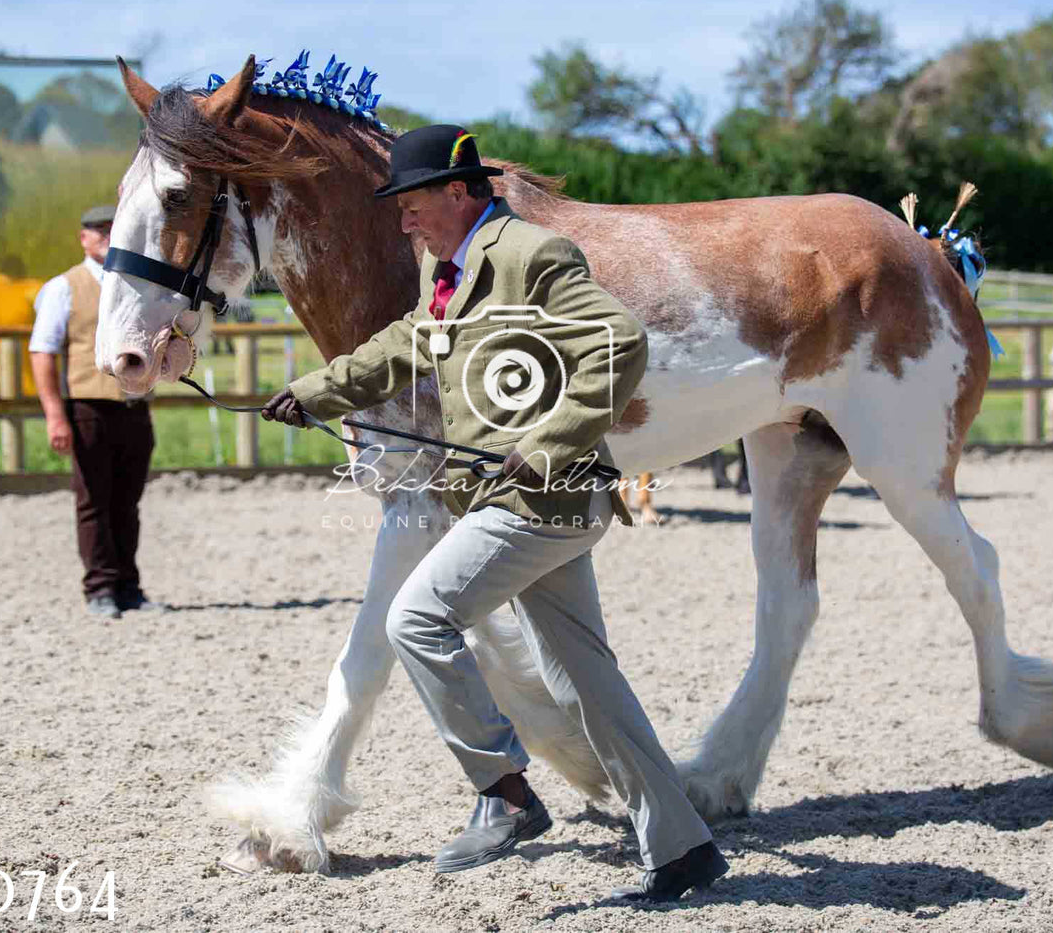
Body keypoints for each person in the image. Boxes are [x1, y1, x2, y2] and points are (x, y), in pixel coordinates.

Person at [261, 125, 727, 902]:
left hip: (542, 495)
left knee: (414, 617)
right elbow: (413, 340)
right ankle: (680, 847)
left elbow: (617, 342)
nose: (403, 221)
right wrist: (317, 391)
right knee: (585, 681)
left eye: (411, 205)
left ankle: (504, 794)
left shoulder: (530, 254)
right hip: (519, 497)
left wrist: (548, 442)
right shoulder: (443, 267)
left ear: (458, 190)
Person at [29, 205, 159, 619]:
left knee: (128, 502)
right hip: (89, 406)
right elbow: (43, 352)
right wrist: (54, 415)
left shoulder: (138, 285)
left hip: (134, 407)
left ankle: (128, 585)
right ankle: (100, 586)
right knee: (93, 501)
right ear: (83, 238)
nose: (105, 236)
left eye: (111, 229)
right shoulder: (64, 287)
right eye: (97, 230)